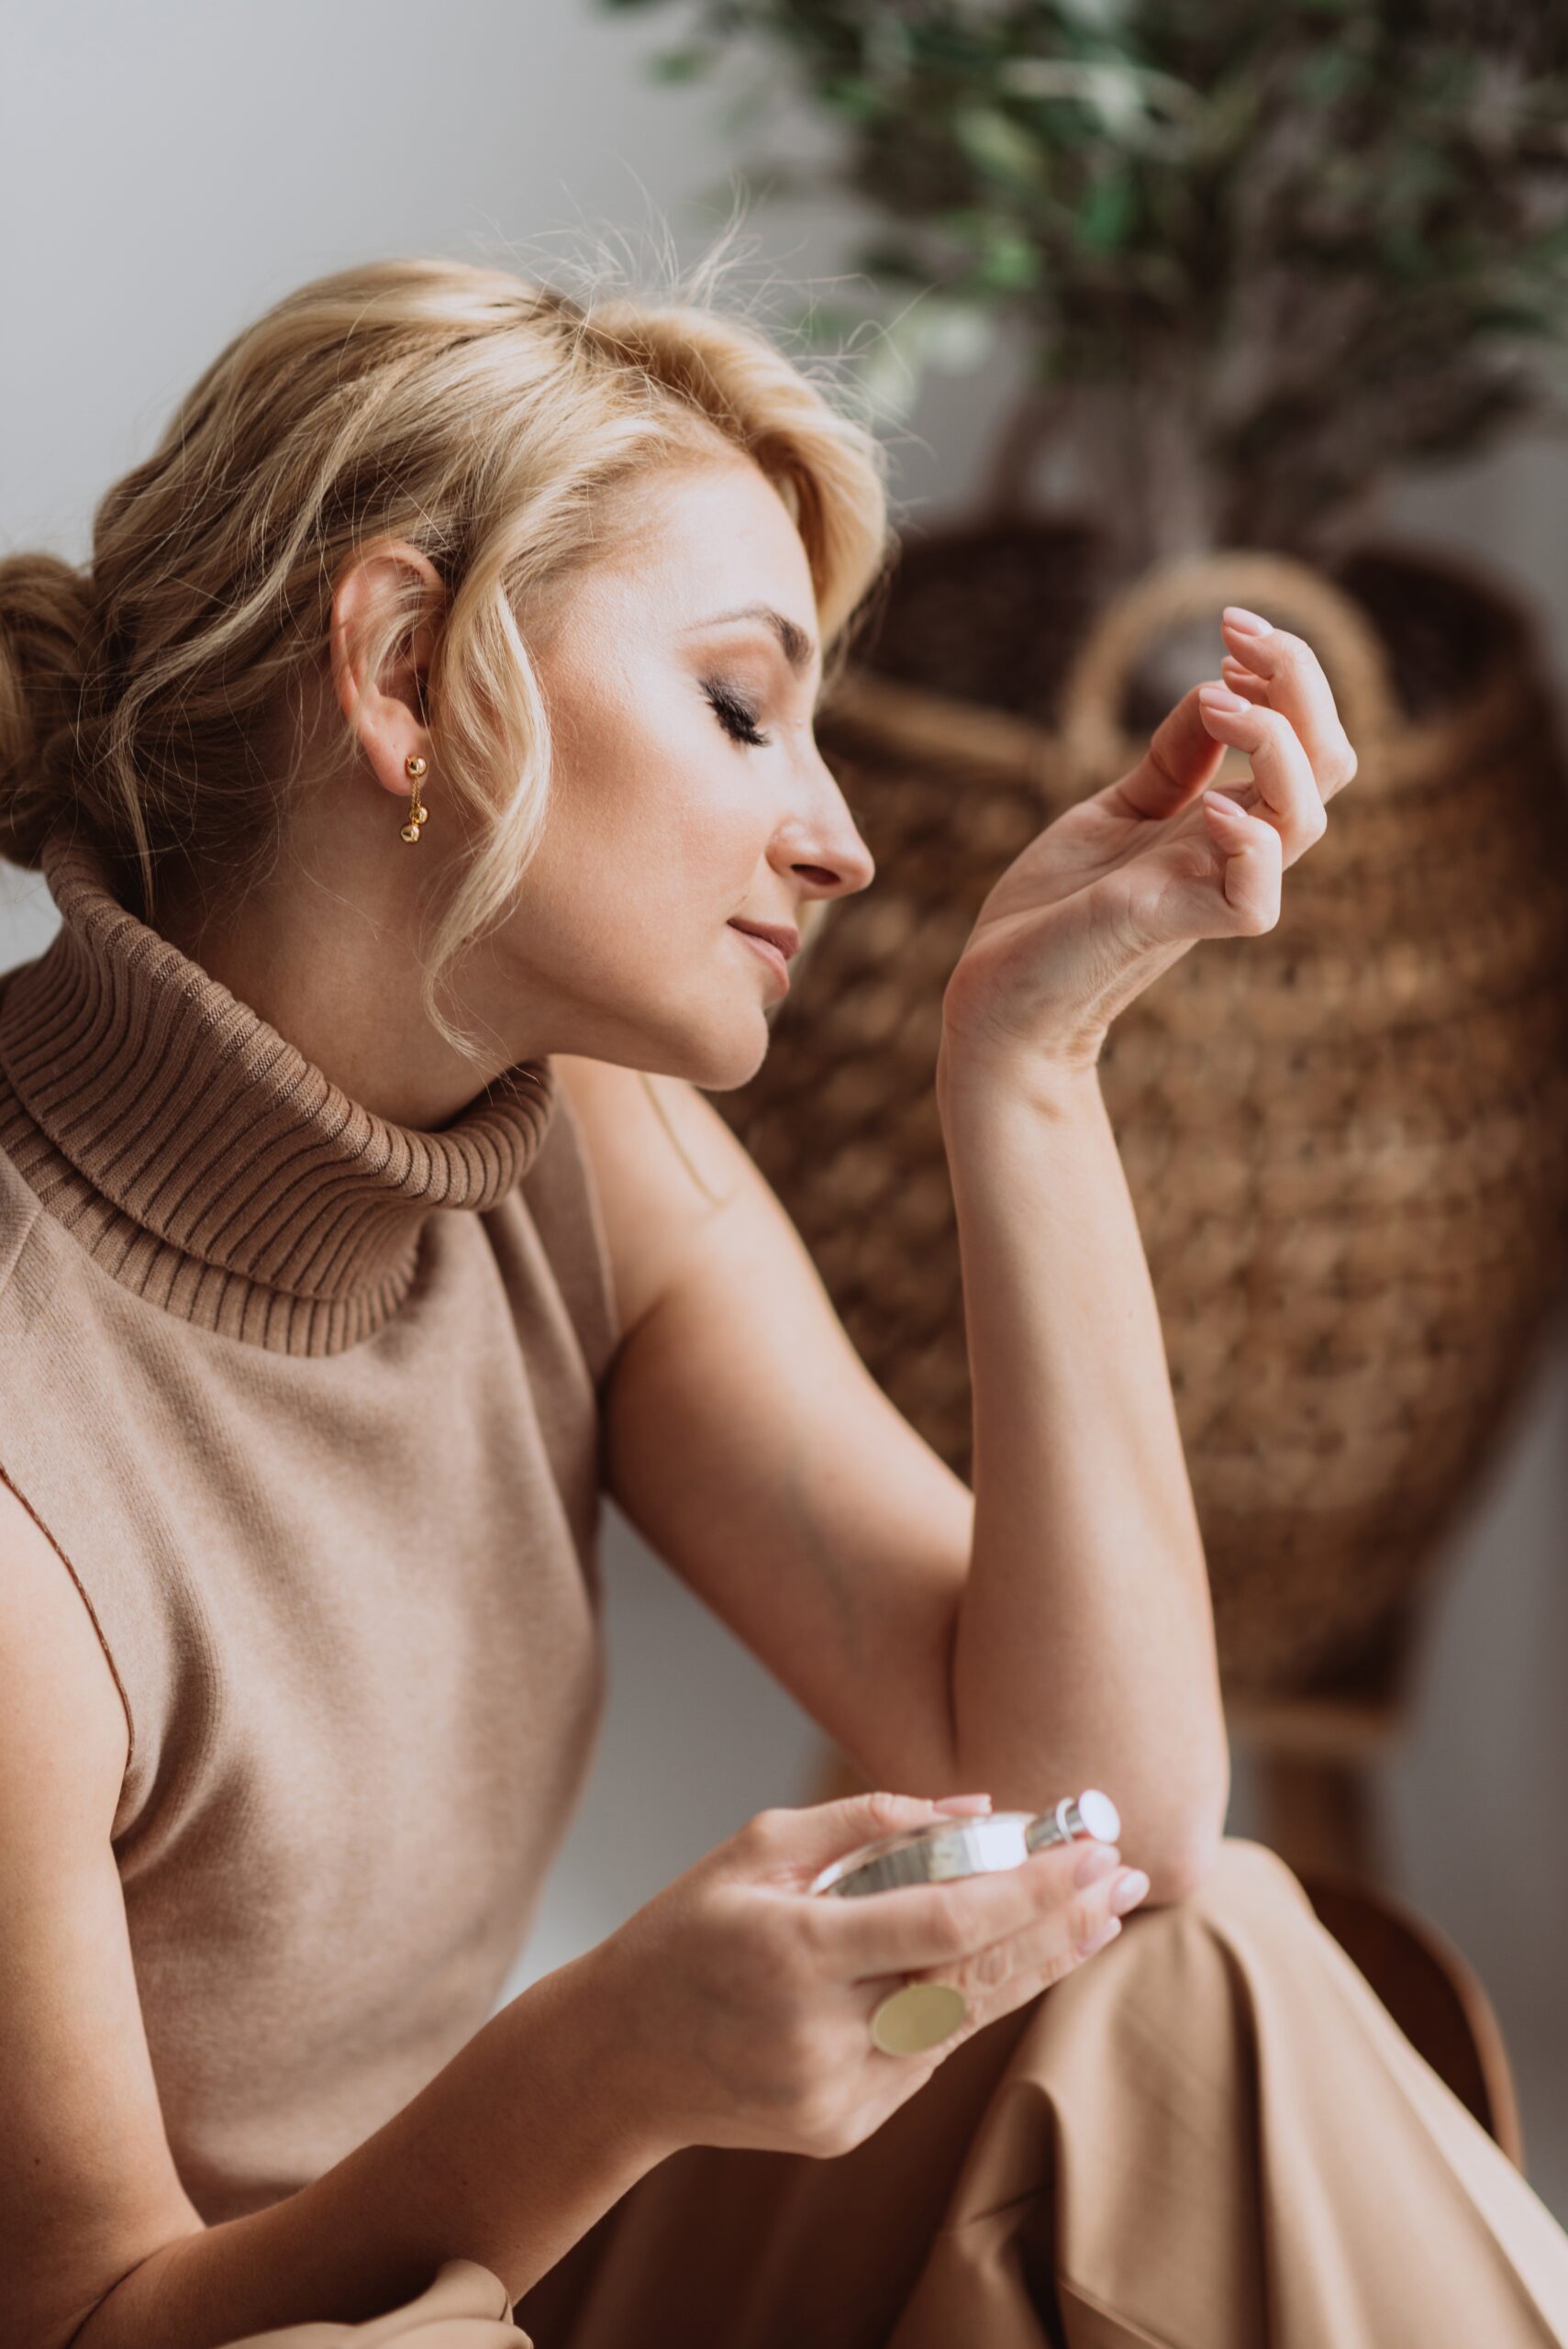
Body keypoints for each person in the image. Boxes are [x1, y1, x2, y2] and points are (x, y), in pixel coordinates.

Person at [1, 250, 1565, 2349]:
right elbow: (93, 2315)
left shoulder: (579, 1145)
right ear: (397, 671)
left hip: (511, 2265)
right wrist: (608, 2061)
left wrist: (1028, 1067)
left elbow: (1113, 1805)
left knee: (1177, 1953)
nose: (832, 834)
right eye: (744, 704)